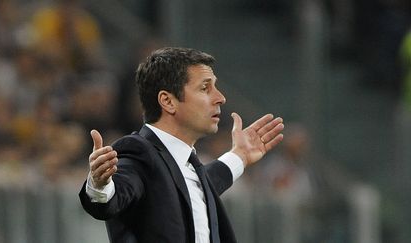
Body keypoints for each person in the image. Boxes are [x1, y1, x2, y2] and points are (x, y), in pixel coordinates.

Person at [79, 47, 284, 243]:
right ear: (168, 101)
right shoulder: (137, 153)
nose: (220, 98)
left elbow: (195, 185)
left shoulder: (188, 168)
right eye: (205, 88)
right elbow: (112, 199)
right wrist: (100, 184)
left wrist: (239, 155)